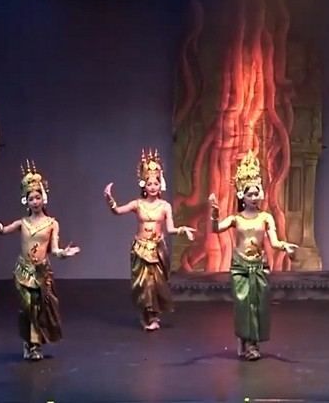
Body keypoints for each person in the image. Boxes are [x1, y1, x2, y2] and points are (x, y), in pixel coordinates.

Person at [0, 161, 80, 360]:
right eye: (31, 198)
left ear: (43, 198)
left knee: (38, 308)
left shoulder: (52, 223)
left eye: (37, 197)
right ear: (25, 201)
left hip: (41, 272)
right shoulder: (23, 223)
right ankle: (29, 342)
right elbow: (4, 230)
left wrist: (63, 253)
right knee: (27, 307)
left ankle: (34, 346)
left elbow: (54, 249)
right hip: (23, 271)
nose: (35, 202)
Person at [208, 150, 298, 361]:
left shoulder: (266, 218)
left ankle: (253, 343)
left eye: (257, 193)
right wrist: (214, 214)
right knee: (243, 306)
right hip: (240, 267)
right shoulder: (236, 219)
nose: (254, 197)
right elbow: (216, 229)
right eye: (250, 194)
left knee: (257, 306)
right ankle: (246, 341)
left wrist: (285, 247)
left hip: (259, 266)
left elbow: (274, 242)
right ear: (242, 195)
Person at [104, 149, 196, 331]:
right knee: (143, 284)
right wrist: (110, 200)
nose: (152, 187)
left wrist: (183, 229)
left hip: (157, 249)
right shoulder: (137, 204)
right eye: (149, 183)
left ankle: (154, 316)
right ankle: (145, 315)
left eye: (155, 183)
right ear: (143, 185)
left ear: (160, 184)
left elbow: (170, 229)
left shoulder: (165, 206)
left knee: (156, 284)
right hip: (140, 248)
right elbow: (117, 211)